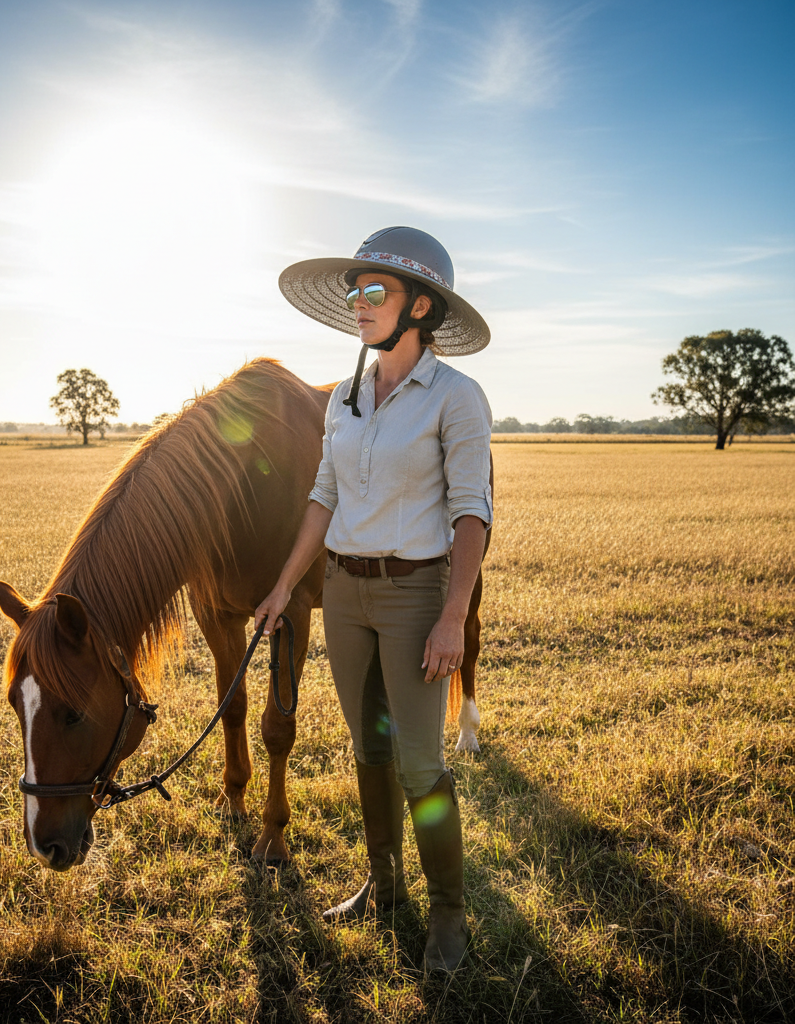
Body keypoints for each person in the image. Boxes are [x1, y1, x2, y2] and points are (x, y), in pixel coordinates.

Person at [254, 226, 492, 974]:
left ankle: (448, 913)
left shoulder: (457, 398)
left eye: (373, 292)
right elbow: (324, 493)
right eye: (354, 291)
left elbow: (471, 512)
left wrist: (453, 615)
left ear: (420, 305)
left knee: (420, 764)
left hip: (416, 594)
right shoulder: (347, 396)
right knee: (369, 748)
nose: (357, 304)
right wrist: (288, 581)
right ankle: (385, 887)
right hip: (345, 595)